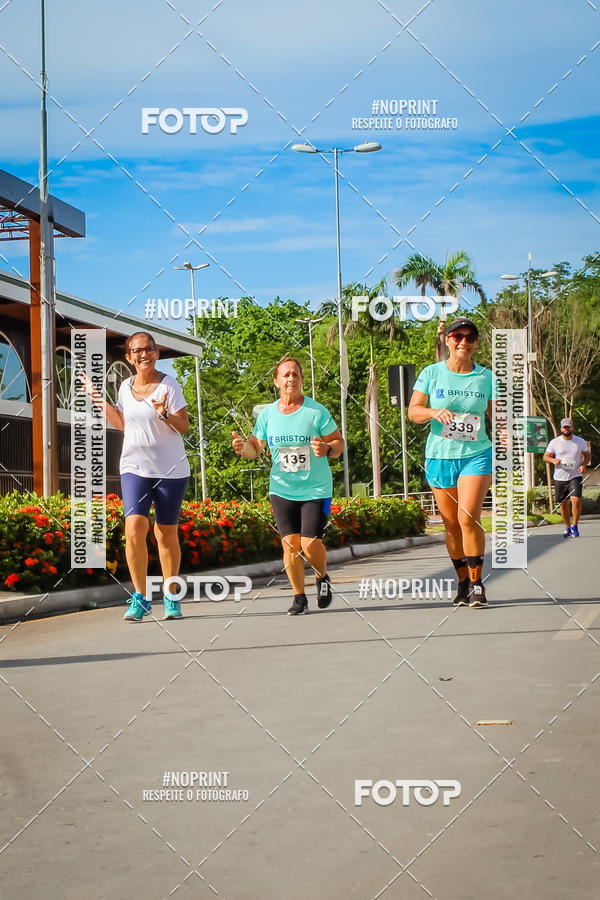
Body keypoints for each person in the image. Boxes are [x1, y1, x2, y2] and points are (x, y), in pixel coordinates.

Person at [84, 331, 190, 621]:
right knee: (134, 529)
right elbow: (122, 424)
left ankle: (171, 597)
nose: (144, 354)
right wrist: (97, 400)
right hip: (134, 468)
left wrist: (165, 414)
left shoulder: (169, 385)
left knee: (165, 533)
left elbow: (185, 426)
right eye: (138, 351)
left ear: (156, 353)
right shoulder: (124, 386)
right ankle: (140, 598)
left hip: (170, 470)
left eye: (149, 349)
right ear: (129, 357)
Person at [231, 357, 344, 615]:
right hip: (281, 488)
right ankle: (299, 597)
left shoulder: (316, 411)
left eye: (295, 374)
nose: (290, 378)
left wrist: (327, 448)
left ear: (301, 380)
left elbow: (339, 444)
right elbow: (255, 448)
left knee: (309, 542)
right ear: (276, 381)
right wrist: (242, 448)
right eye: (285, 375)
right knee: (290, 543)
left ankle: (322, 576)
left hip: (315, 488)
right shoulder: (268, 414)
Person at [408, 317, 495, 608]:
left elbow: (498, 416)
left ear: (476, 344)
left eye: (470, 337)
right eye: (458, 336)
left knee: (467, 517)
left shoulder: (486, 377)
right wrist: (433, 412)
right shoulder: (432, 373)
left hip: (476, 454)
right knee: (450, 525)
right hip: (440, 456)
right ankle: (462, 582)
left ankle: (477, 583)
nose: (463, 342)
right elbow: (413, 412)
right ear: (448, 340)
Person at [543, 418, 590, 538]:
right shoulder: (555, 442)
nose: (566, 429)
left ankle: (575, 525)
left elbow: (587, 454)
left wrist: (583, 465)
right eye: (564, 427)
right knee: (563, 504)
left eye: (568, 427)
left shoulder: (579, 441)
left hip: (575, 475)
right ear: (561, 428)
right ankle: (567, 527)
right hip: (559, 477)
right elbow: (545, 457)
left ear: (572, 428)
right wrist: (553, 460)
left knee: (576, 500)